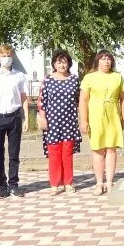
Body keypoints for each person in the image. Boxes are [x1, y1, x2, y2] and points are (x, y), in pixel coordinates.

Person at [0, 44, 30, 198]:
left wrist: (26, 118)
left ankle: (14, 184)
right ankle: (2, 184)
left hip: (14, 116)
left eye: (9, 55)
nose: (6, 58)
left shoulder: (20, 76)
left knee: (14, 152)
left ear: (13, 57)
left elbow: (23, 98)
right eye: (3, 56)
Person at [79, 50, 124, 194]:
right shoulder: (89, 77)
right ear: (97, 61)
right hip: (95, 115)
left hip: (112, 115)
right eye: (103, 58)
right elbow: (83, 100)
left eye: (109, 59)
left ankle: (110, 182)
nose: (106, 61)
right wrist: (83, 120)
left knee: (111, 149)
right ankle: (99, 183)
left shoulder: (117, 77)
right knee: (98, 149)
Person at [37, 49, 81, 193]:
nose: (62, 65)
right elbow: (41, 102)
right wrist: (43, 119)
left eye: (65, 62)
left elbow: (79, 100)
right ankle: (55, 184)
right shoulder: (48, 80)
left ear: (69, 63)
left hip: (69, 121)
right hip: (53, 122)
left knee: (67, 153)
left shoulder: (74, 79)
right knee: (54, 153)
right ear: (54, 64)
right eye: (59, 62)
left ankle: (68, 182)